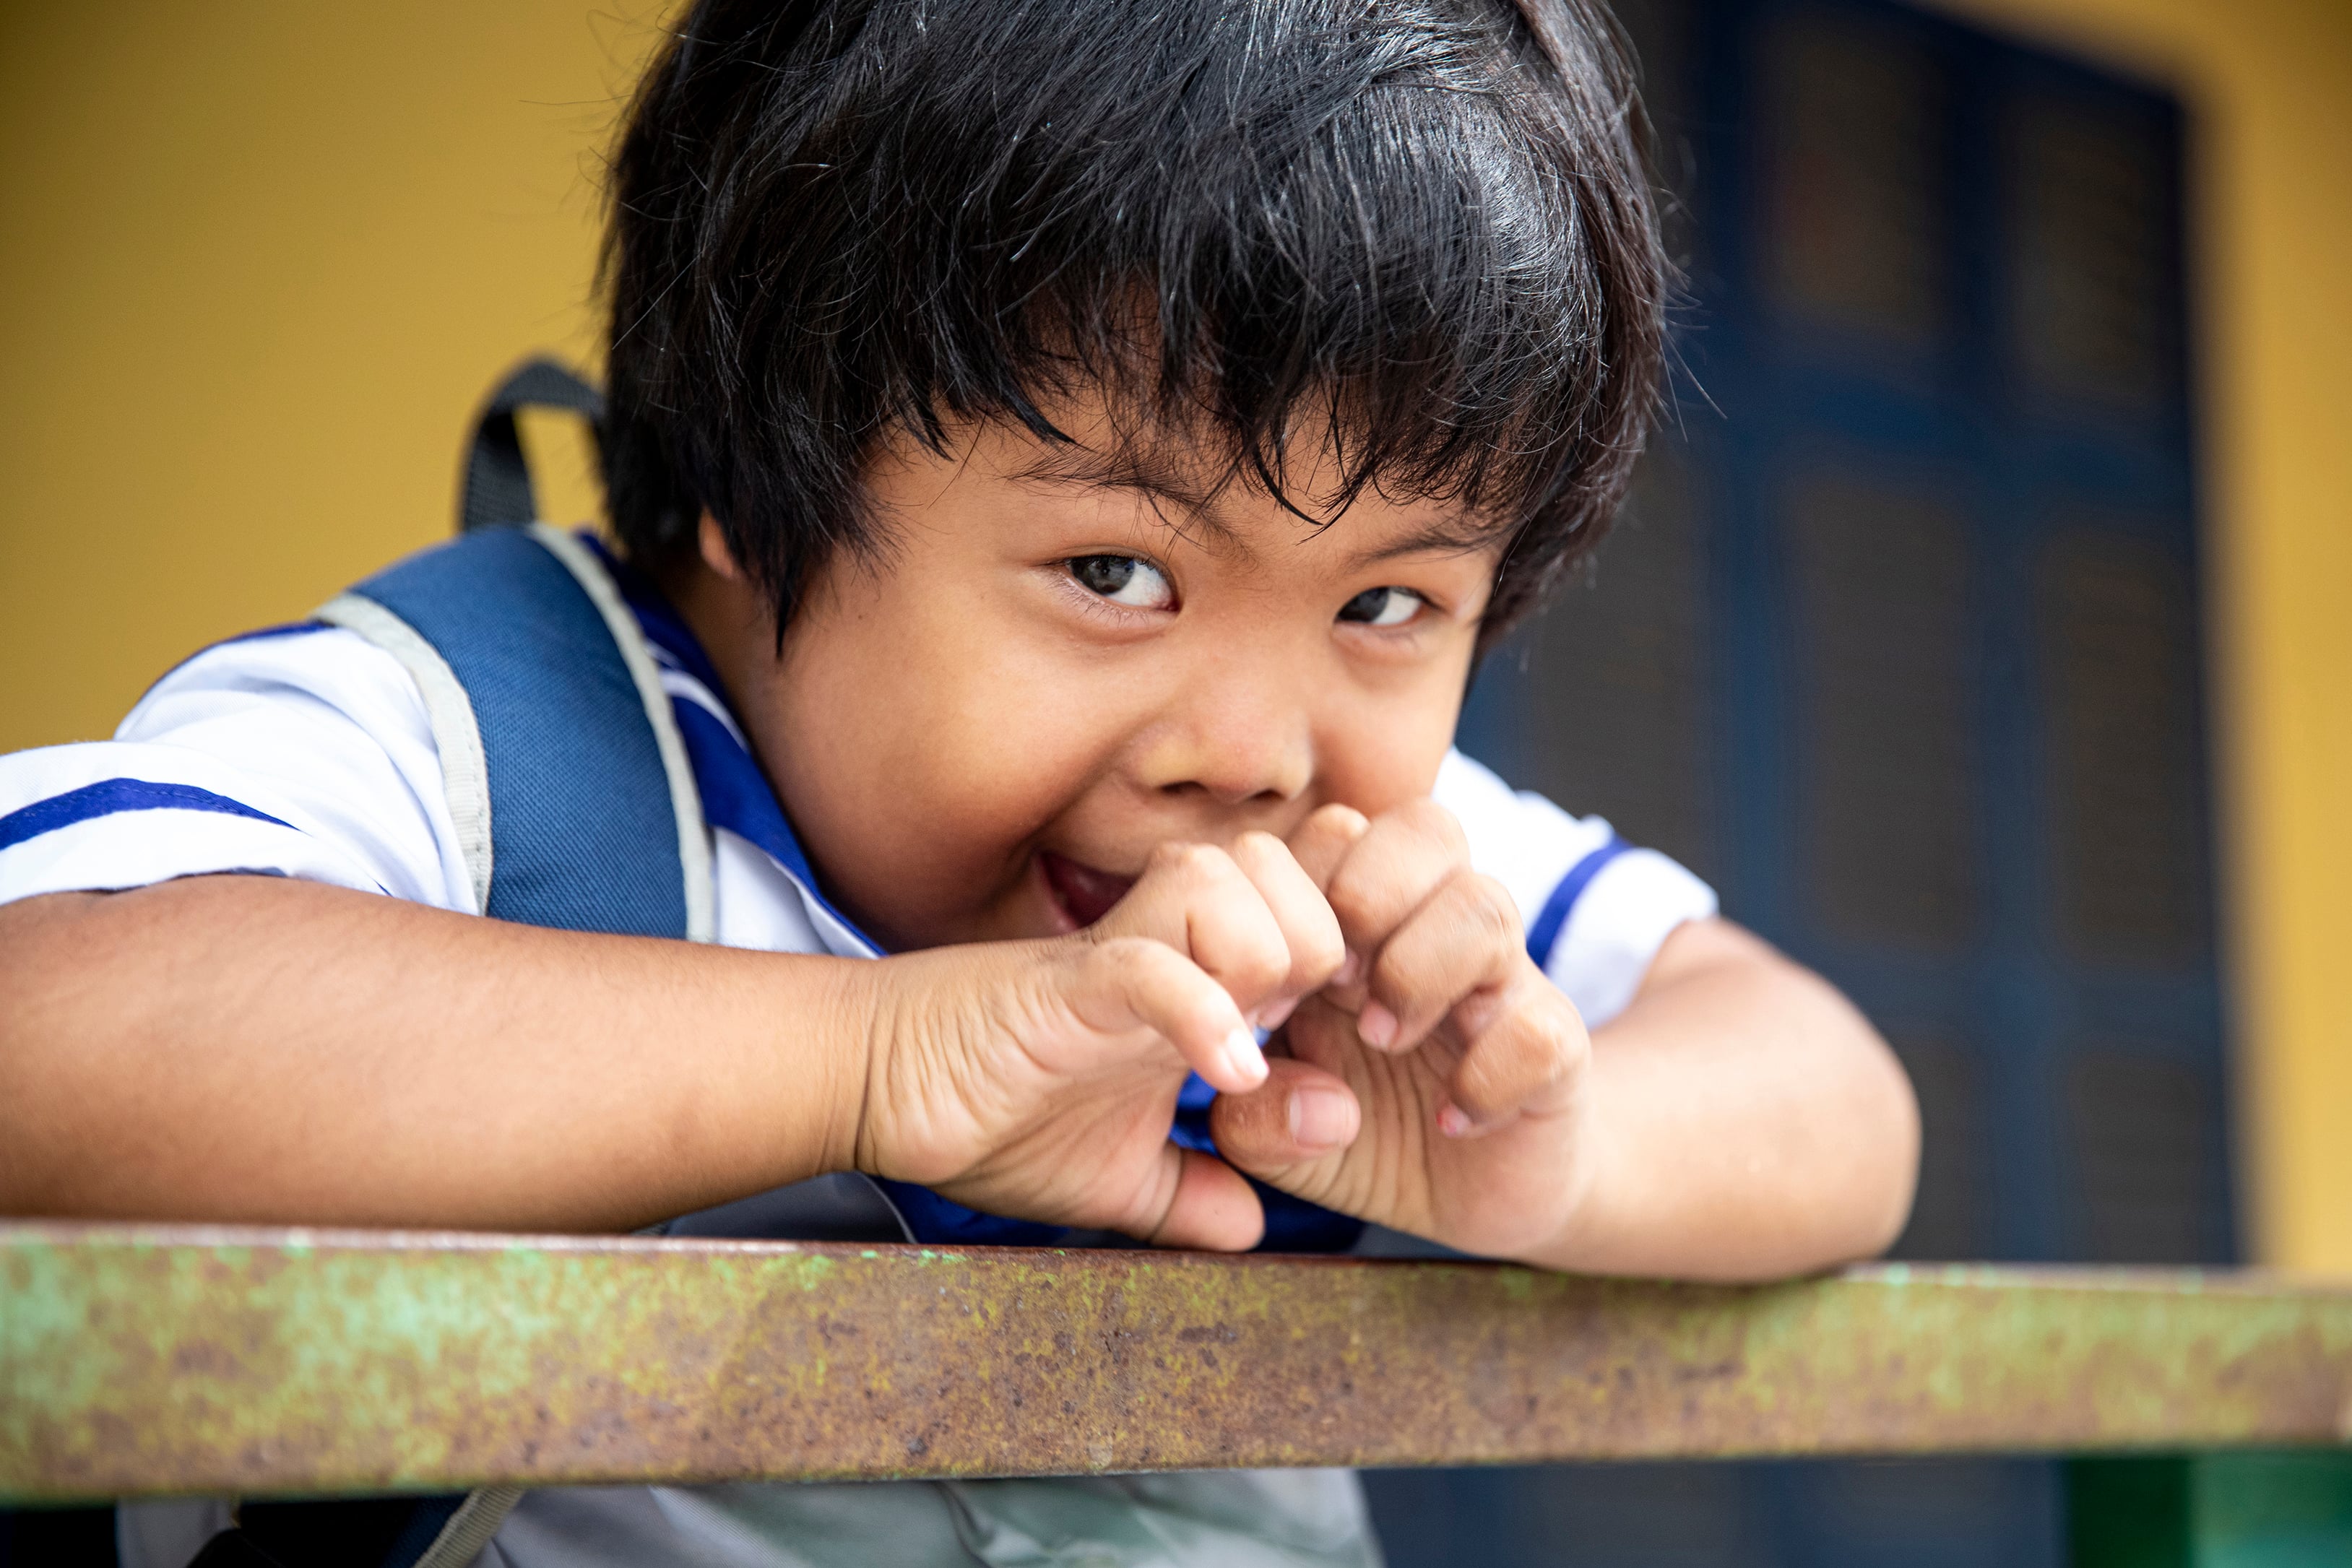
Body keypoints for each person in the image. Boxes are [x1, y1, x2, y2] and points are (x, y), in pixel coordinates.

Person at [0, 0, 1919, 1564]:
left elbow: (1837, 1100)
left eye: (1393, 598)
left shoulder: (1349, 888)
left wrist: (1559, 1151)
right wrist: (872, 1055)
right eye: (1116, 573)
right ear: (762, 491)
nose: (1251, 747)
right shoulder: (486, 754)